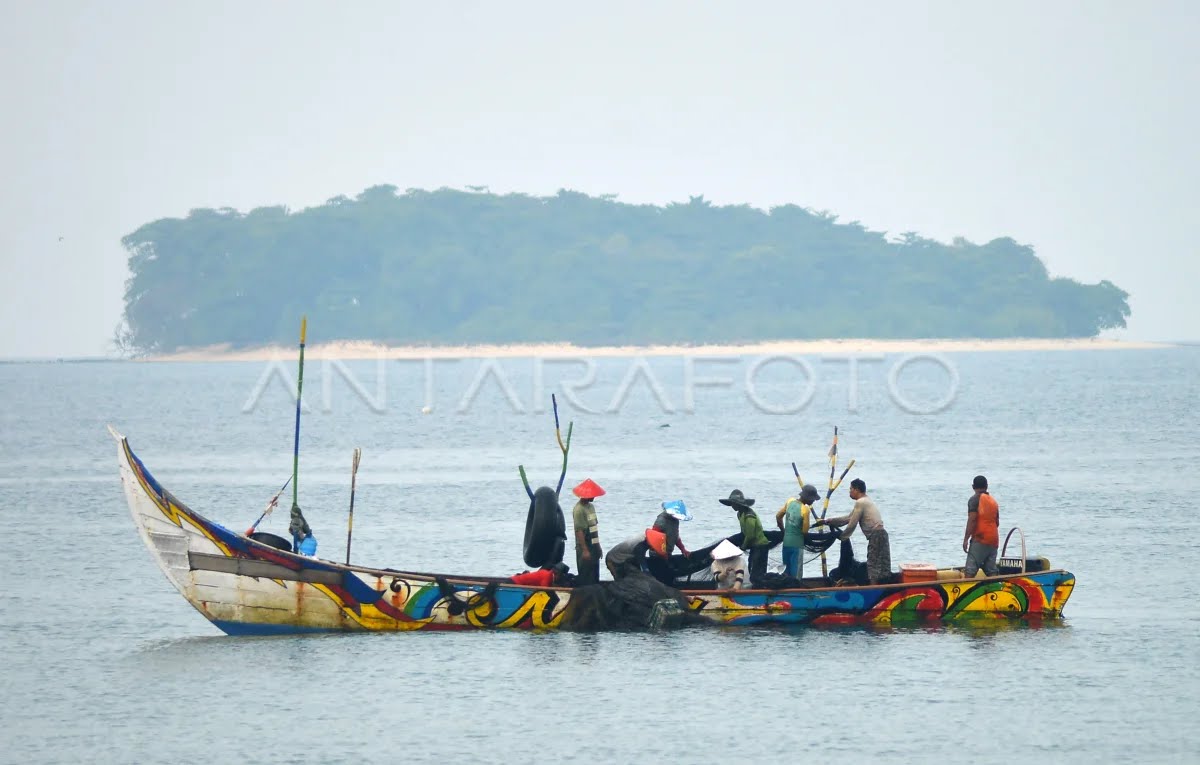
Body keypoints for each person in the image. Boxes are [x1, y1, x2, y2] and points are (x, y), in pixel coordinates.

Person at [819, 479, 891, 584]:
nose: (849, 491)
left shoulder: (860, 502)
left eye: (850, 489)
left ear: (857, 490)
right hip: (882, 534)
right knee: (883, 563)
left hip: (876, 535)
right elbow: (849, 518)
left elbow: (852, 523)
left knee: (873, 563)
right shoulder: (865, 501)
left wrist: (844, 537)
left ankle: (873, 587)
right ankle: (886, 583)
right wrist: (830, 521)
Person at [721, 489, 770, 586]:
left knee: (757, 572)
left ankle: (760, 591)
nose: (732, 506)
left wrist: (743, 546)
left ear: (739, 504)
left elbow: (750, 535)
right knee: (751, 567)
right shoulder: (740, 514)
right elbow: (744, 532)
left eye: (734, 504)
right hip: (754, 546)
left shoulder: (749, 516)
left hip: (760, 545)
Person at [776, 484, 819, 579]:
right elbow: (804, 531)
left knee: (786, 570)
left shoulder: (790, 501)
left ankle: (786, 588)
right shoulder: (805, 510)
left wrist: (783, 531)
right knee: (796, 571)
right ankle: (796, 588)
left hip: (786, 542)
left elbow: (778, 516)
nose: (813, 501)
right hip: (797, 544)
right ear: (807, 498)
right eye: (812, 499)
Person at [963, 475, 1000, 577]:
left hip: (980, 538)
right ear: (987, 486)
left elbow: (972, 520)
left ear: (973, 486)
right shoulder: (993, 502)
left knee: (970, 570)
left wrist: (966, 539)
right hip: (994, 539)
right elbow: (997, 522)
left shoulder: (974, 500)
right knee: (991, 570)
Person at [571, 478, 605, 585]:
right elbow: (579, 531)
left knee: (595, 575)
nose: (594, 497)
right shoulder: (579, 509)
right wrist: (585, 550)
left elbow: (594, 528)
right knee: (586, 576)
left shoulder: (591, 507)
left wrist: (598, 546)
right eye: (592, 495)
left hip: (593, 544)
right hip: (585, 544)